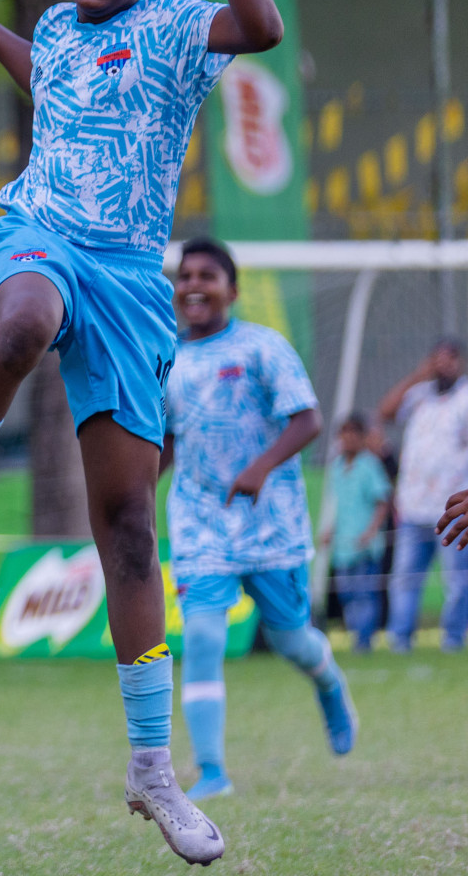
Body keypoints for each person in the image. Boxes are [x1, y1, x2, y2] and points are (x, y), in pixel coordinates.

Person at [0, 0, 284, 864]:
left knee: (130, 533)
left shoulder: (181, 27)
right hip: (40, 231)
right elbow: (44, 73)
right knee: (18, 325)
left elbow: (264, 26)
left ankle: (154, 770)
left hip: (130, 282)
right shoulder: (60, 27)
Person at [160, 238, 356, 802]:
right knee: (199, 637)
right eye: (185, 275)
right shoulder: (166, 358)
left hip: (272, 526)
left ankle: (328, 683)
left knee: (291, 640)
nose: (193, 284)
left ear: (232, 290)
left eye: (207, 275)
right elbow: (169, 438)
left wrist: (259, 468)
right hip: (199, 523)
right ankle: (213, 772)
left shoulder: (261, 347)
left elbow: (308, 419)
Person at [376, 338, 468, 651]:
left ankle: (453, 640)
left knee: (457, 580)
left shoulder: (465, 397)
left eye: (451, 359)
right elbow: (385, 412)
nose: (444, 365)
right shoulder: (419, 394)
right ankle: (399, 642)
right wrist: (419, 375)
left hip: (453, 508)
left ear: (460, 363)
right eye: (438, 359)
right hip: (412, 507)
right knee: (404, 578)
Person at [320, 413, 393, 652]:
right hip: (343, 546)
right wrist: (329, 531)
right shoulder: (337, 467)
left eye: (354, 434)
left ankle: (364, 642)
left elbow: (383, 500)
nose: (349, 439)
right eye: (345, 434)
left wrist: (371, 531)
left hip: (365, 545)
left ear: (362, 438)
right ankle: (357, 639)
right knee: (346, 595)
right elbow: (338, 506)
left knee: (365, 594)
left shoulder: (369, 464)